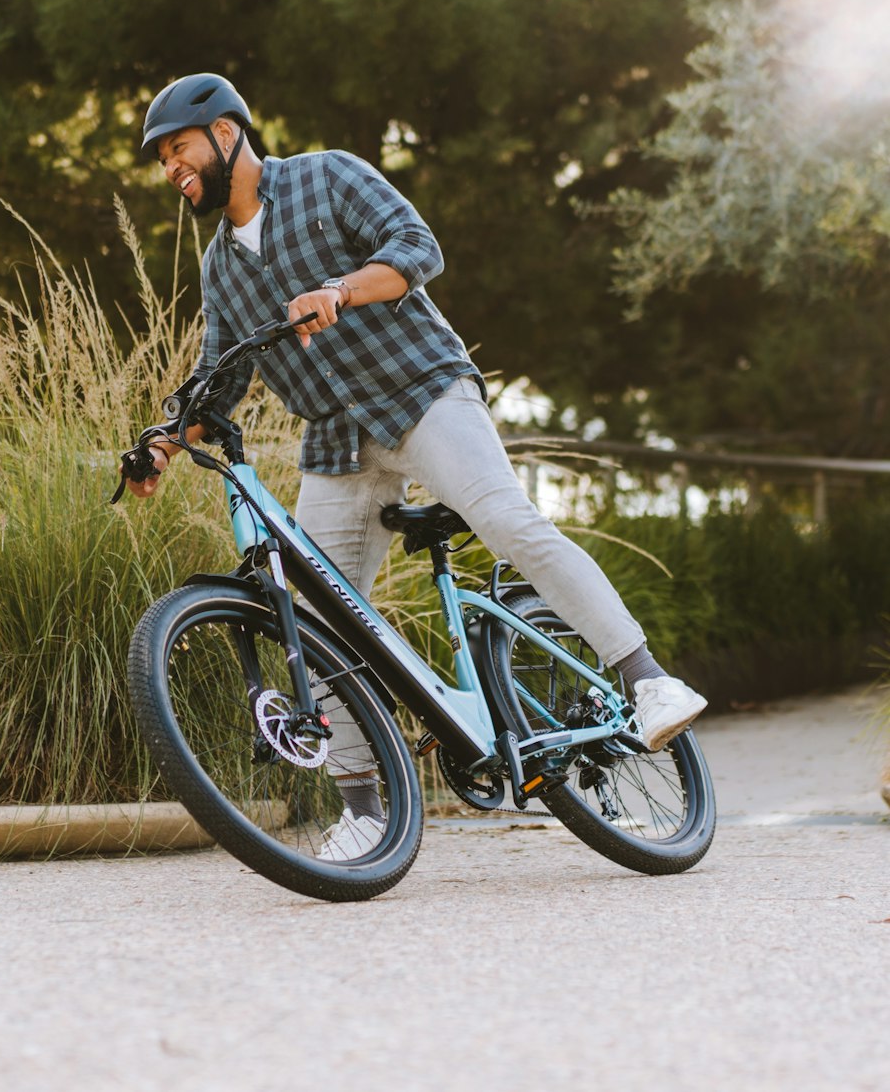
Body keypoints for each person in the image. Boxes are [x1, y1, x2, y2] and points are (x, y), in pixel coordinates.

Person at [127, 72, 708, 859]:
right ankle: (365, 809)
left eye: (180, 148)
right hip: (337, 442)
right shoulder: (222, 266)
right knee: (320, 619)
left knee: (505, 519)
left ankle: (646, 680)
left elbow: (416, 249)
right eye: (162, 159)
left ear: (227, 135)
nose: (172, 168)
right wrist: (164, 439)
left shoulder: (326, 176)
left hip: (423, 394)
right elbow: (217, 378)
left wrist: (339, 290)